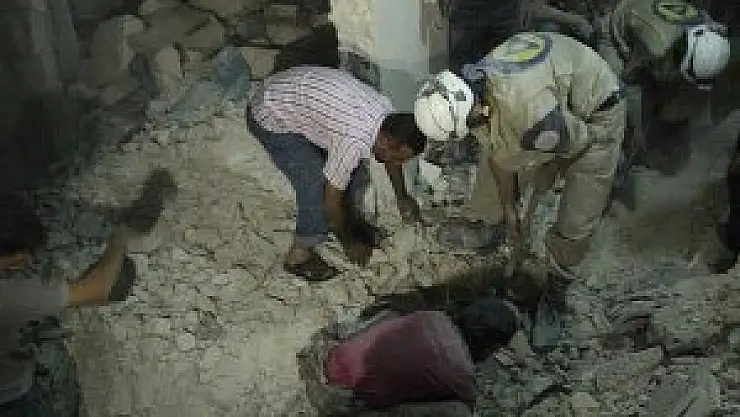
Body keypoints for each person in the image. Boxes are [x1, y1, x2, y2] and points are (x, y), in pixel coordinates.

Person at [414, 32, 626, 283]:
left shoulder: (530, 113)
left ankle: (559, 270)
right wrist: (510, 209)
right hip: (549, 96)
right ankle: (486, 222)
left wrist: (544, 176)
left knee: (580, 208)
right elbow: (498, 155)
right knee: (501, 155)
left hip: (596, 110)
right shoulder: (473, 87)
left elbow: (572, 146)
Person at [0, 169, 176, 417]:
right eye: (14, 265)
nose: (18, 270)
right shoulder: (9, 296)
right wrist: (121, 239)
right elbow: (97, 290)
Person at [246, 65, 427, 282]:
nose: (397, 164)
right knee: (315, 183)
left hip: (290, 95)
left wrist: (402, 196)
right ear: (385, 140)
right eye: (397, 158)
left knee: (352, 174)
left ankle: (348, 222)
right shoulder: (353, 139)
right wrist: (348, 242)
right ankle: (299, 256)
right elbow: (330, 200)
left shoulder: (388, 115)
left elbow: (390, 157)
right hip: (268, 113)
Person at [594, 0, 731, 175]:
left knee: (673, 92)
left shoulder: (710, 32)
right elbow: (629, 81)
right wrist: (636, 125)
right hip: (616, 33)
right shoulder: (656, 46)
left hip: (650, 25)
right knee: (614, 97)